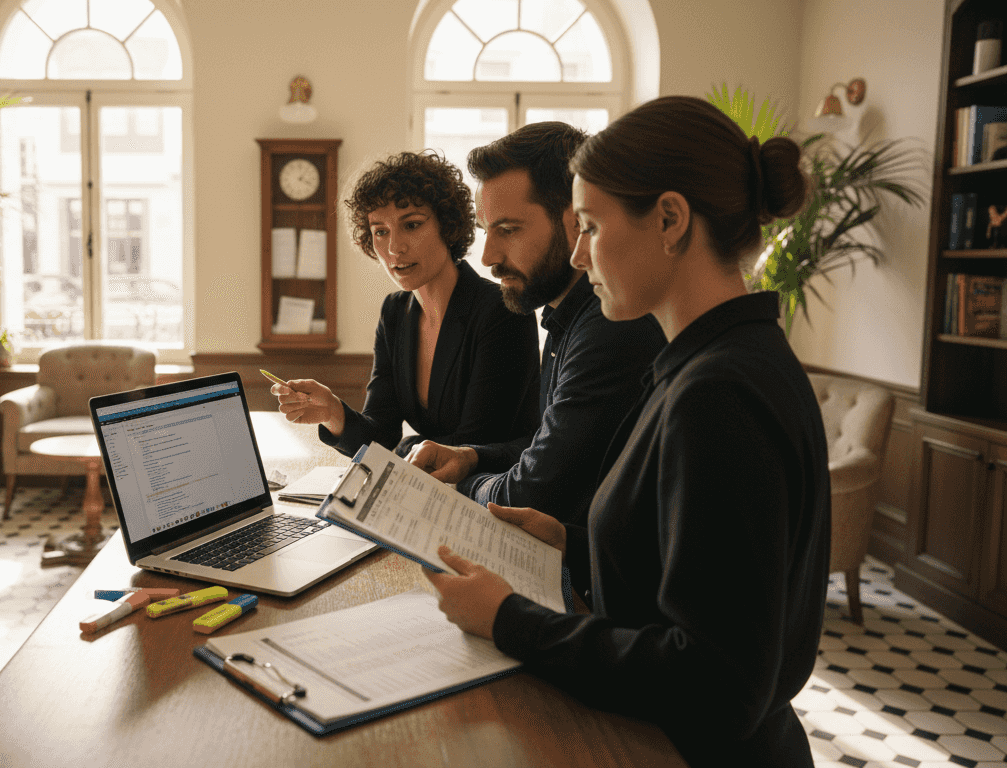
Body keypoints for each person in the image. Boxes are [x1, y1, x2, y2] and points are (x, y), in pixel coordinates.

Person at [425, 96, 831, 767]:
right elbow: (703, 570)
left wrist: (508, 619)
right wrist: (573, 544)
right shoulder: (721, 359)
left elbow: (717, 681)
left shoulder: (718, 392)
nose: (580, 256)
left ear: (669, 219)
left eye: (589, 226)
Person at [407, 123, 665, 524]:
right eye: (485, 232)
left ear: (574, 221)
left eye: (508, 230)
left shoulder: (610, 327)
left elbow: (532, 493)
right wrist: (470, 458)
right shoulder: (570, 319)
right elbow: (546, 448)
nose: (488, 257)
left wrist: (460, 487)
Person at [271, 150, 541, 458]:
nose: (394, 248)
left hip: (494, 494)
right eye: (380, 232)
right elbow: (381, 432)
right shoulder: (395, 312)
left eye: (411, 225)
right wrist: (334, 413)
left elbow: (475, 445)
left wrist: (407, 447)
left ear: (448, 225)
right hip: (429, 488)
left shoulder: (500, 310)